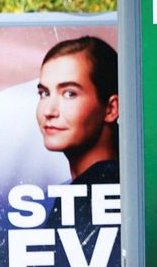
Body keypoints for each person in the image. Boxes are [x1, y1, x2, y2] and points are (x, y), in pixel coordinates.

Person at [37, 36, 119, 186]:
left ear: (111, 109)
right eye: (44, 93)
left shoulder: (102, 190)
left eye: (69, 94)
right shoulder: (80, 189)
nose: (48, 111)